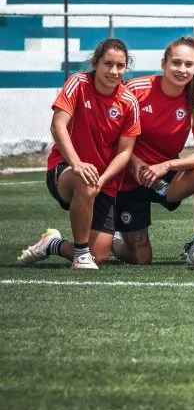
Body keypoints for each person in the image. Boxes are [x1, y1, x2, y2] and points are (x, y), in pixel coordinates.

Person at [19, 39, 141, 269]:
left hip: (103, 180)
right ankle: (81, 254)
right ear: (95, 63)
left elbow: (125, 152)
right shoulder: (78, 83)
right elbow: (58, 126)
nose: (114, 71)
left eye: (120, 66)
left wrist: (103, 180)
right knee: (85, 182)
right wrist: (76, 164)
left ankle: (53, 244)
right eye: (108, 64)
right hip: (66, 168)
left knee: (101, 256)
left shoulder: (129, 101)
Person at [117, 37, 194, 267]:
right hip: (130, 176)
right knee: (141, 259)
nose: (181, 70)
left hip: (164, 177)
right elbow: (114, 139)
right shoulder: (135, 90)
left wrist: (166, 166)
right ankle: (115, 239)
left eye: (188, 64)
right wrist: (139, 166)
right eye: (176, 63)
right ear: (163, 64)